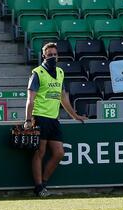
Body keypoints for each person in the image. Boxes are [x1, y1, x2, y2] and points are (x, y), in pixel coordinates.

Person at [25, 42, 87, 197]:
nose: (53, 57)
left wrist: (75, 116)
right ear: (43, 56)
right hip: (40, 116)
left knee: (59, 153)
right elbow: (30, 99)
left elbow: (63, 99)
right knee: (40, 152)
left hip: (53, 118)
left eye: (55, 54)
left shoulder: (60, 72)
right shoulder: (37, 73)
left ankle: (43, 183)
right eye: (49, 54)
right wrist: (27, 119)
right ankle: (39, 187)